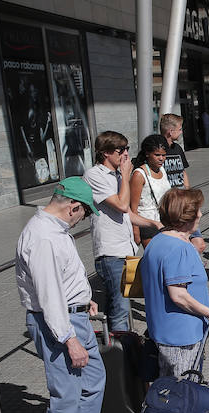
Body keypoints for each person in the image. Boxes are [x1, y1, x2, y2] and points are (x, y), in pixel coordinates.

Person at [17, 176, 114, 413]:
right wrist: (69, 339)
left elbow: (65, 279)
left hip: (75, 315)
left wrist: (86, 301)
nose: (83, 219)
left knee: (95, 377)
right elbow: (49, 296)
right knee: (66, 391)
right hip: (59, 322)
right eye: (85, 213)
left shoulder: (54, 231)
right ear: (74, 207)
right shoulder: (44, 237)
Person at [140, 188, 209, 413]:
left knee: (170, 390)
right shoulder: (180, 248)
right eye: (197, 210)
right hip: (181, 334)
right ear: (187, 216)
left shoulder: (156, 242)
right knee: (182, 392)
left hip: (163, 330)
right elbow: (178, 295)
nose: (201, 214)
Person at [84, 131, 161, 333]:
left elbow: (127, 213)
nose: (126, 155)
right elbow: (121, 204)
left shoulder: (118, 175)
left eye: (127, 149)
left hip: (126, 250)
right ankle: (120, 355)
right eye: (121, 150)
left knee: (124, 304)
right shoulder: (95, 175)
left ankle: (123, 347)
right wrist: (126, 175)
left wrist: (153, 224)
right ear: (106, 153)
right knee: (119, 308)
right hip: (110, 253)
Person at [160, 113, 206, 254]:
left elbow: (183, 171)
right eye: (180, 129)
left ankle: (192, 260)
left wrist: (188, 191)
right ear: (170, 131)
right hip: (172, 205)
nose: (181, 132)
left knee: (199, 243)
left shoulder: (177, 149)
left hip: (184, 200)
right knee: (181, 242)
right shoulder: (159, 151)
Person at [129, 134, 172, 247]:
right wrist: (136, 231)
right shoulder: (139, 174)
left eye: (164, 155)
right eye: (157, 155)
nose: (161, 158)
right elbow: (133, 207)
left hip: (164, 221)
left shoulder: (162, 169)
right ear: (147, 153)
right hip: (147, 224)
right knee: (155, 258)